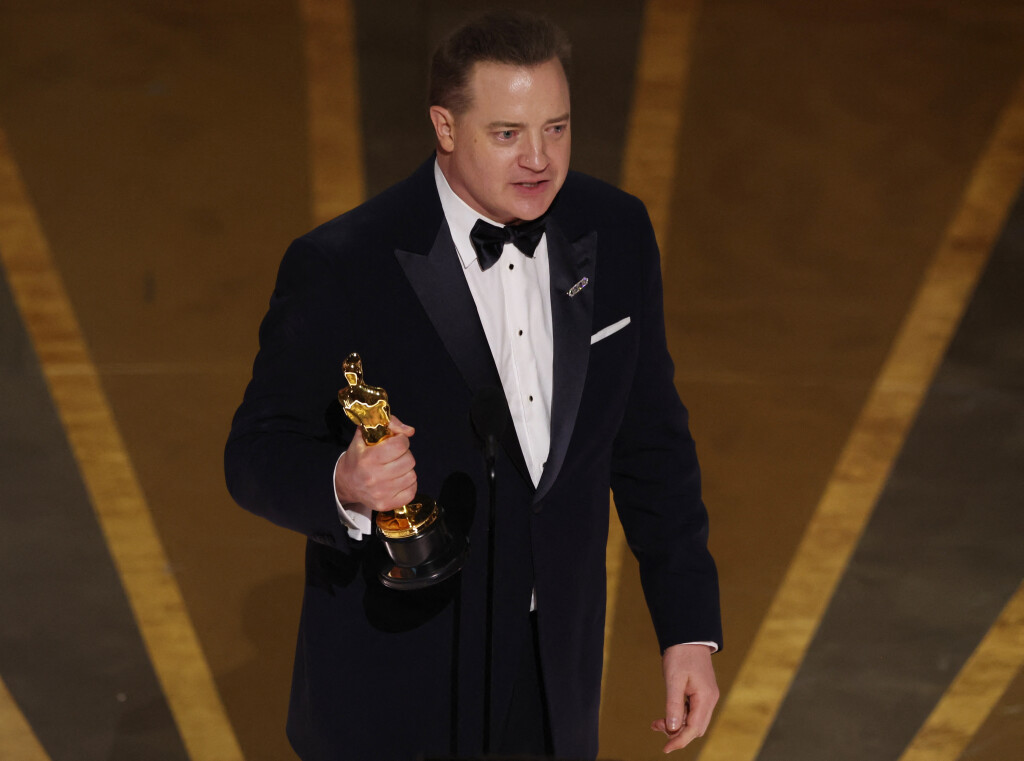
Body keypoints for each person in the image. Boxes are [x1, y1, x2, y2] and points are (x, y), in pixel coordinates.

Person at [225, 10, 721, 760]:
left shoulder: (615, 231)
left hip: (550, 671)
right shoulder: (344, 263)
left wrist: (687, 628)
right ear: (445, 127)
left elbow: (650, 443)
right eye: (507, 133)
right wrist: (345, 481)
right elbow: (254, 451)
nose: (539, 160)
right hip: (395, 681)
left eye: (556, 128)